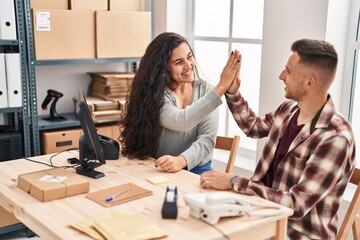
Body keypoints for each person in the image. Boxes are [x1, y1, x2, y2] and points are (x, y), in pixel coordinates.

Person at [200, 39, 356, 240]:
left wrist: (235, 182)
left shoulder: (335, 138)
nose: (281, 76)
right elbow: (254, 127)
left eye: (288, 71)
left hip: (297, 233)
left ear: (309, 82)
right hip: (261, 216)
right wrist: (232, 92)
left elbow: (297, 204)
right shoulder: (289, 110)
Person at [120, 32, 241, 175]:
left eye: (189, 56)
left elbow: (207, 139)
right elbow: (181, 122)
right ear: (163, 68)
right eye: (178, 62)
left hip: (198, 170)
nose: (188, 65)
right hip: (160, 168)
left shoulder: (206, 91)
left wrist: (181, 161)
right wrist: (221, 87)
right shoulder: (156, 95)